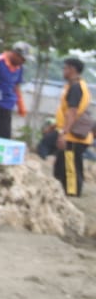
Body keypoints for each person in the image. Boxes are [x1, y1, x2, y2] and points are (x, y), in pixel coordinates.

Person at [53, 57, 92, 197]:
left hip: (73, 136)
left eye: (65, 68)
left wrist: (64, 133)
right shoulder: (76, 85)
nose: (63, 71)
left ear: (72, 69)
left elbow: (73, 112)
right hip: (71, 133)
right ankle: (64, 191)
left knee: (71, 167)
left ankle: (72, 193)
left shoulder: (76, 87)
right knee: (62, 166)